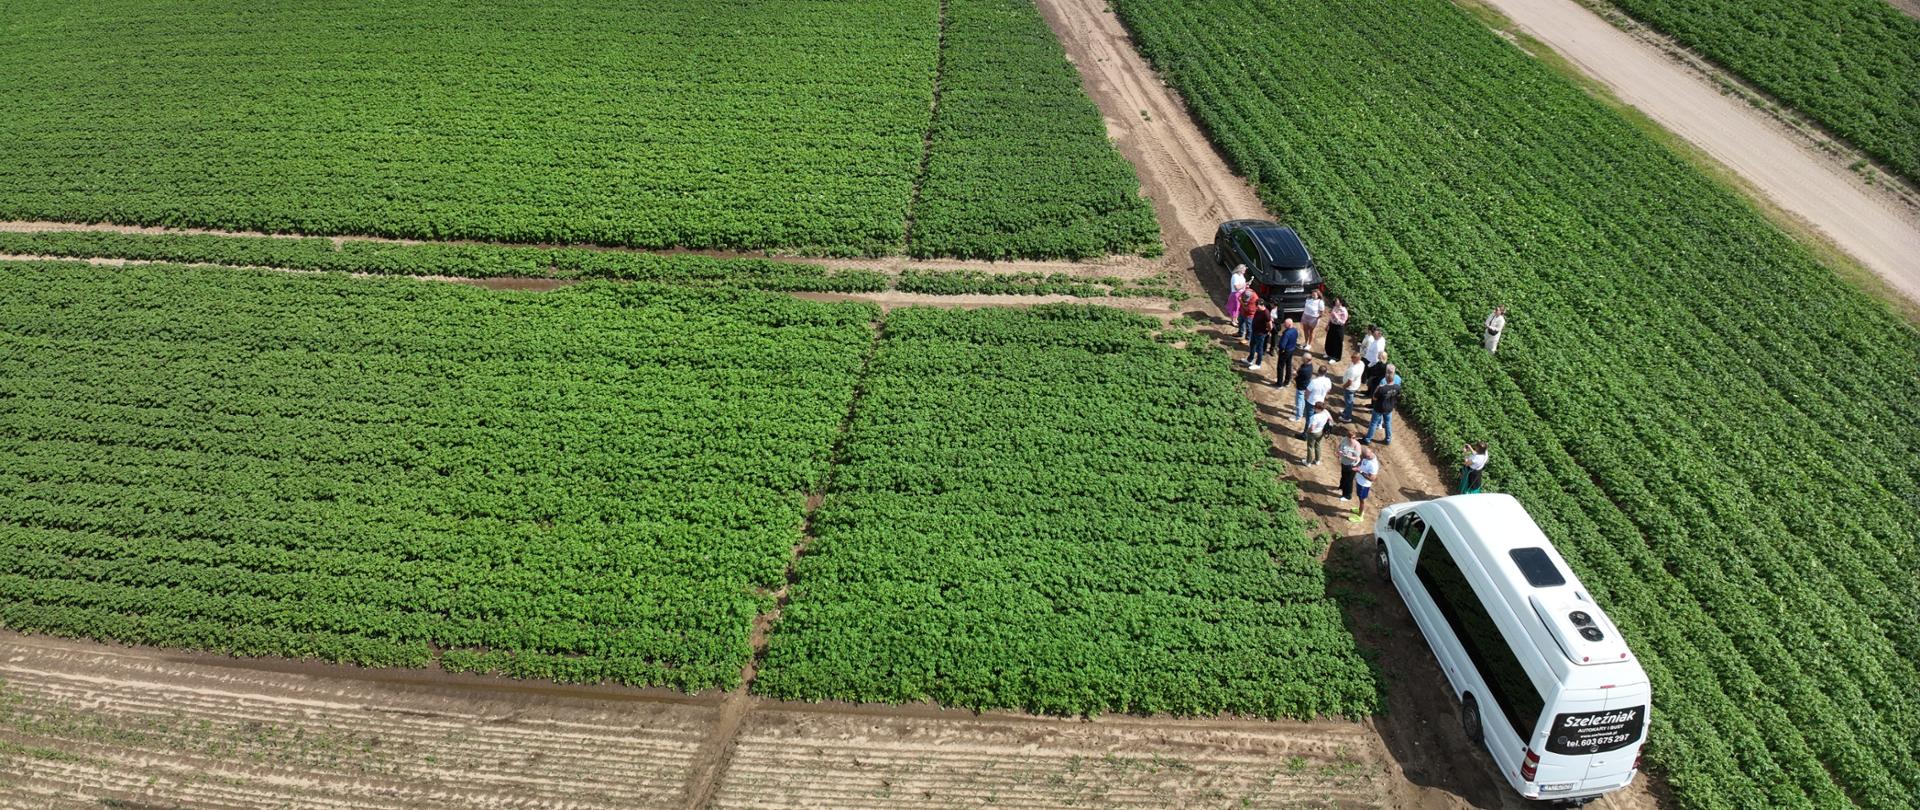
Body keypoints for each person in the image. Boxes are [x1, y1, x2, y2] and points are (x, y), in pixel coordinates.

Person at [1363, 364, 1400, 445]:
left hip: (1379, 408)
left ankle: (1368, 439)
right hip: (1389, 408)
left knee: (1373, 423)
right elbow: (1397, 396)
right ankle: (1388, 440)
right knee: (1387, 423)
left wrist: (1378, 388)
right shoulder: (1397, 387)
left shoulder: (1382, 388)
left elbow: (1374, 398)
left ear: (1386, 378)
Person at [1352, 447, 1381, 521]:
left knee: (1362, 500)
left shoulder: (1374, 465)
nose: (1363, 457)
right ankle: (1359, 510)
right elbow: (1362, 459)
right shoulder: (1368, 455)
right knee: (1359, 497)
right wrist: (1359, 465)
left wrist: (1360, 471)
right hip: (1359, 481)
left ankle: (1360, 516)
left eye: (1364, 457)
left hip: (1364, 485)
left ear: (1368, 455)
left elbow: (1372, 478)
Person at [1244, 302, 1273, 370]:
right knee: (1252, 345)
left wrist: (1268, 331)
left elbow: (1270, 324)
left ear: (1262, 305)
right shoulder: (1258, 310)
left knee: (1259, 348)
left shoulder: (1266, 313)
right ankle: (1250, 359)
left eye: (1257, 306)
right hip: (1255, 331)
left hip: (1261, 333)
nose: (1256, 308)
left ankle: (1258, 364)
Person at [1338, 350, 1364, 423]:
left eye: (1353, 358)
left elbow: (1349, 382)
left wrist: (1344, 386)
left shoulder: (1353, 370)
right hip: (1356, 385)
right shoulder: (1361, 363)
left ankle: (1347, 417)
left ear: (1357, 359)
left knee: (1349, 402)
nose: (1351, 358)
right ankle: (1346, 411)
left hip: (1350, 388)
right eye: (1351, 357)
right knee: (1350, 401)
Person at [1360, 327, 1387, 395]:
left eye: (1375, 335)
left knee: (1371, 379)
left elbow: (1377, 357)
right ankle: (1368, 391)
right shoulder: (1378, 339)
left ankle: (1369, 392)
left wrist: (1370, 365)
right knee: (1369, 378)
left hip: (1372, 363)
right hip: (1369, 359)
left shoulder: (1379, 345)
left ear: (1379, 335)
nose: (1373, 335)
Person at [1336, 431, 1363, 501]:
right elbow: (1339, 446)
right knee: (1343, 476)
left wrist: (1348, 456)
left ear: (1355, 438)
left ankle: (1347, 496)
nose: (1351, 439)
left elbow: (1357, 457)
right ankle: (1341, 487)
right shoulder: (1345, 439)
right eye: (1349, 437)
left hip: (1352, 465)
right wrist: (1339, 452)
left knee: (1349, 480)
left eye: (1353, 437)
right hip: (1344, 462)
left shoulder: (1357, 445)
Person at [1300, 289, 1326, 355]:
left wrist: (1317, 318)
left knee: (1311, 331)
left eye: (1314, 294)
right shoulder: (1308, 299)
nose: (1313, 295)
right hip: (1306, 316)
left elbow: (1322, 312)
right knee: (1305, 330)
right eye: (1312, 294)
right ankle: (1305, 342)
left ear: (1318, 295)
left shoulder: (1320, 302)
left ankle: (1309, 344)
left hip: (1313, 318)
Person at [1226, 264, 1248, 328]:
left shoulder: (1241, 275)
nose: (1245, 271)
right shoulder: (1235, 276)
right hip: (1236, 294)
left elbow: (1242, 284)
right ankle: (1233, 321)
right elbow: (1237, 287)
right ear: (1240, 269)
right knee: (1235, 308)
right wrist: (1244, 285)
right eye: (1244, 270)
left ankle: (1235, 319)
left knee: (1238, 308)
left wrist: (1246, 285)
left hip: (1241, 293)